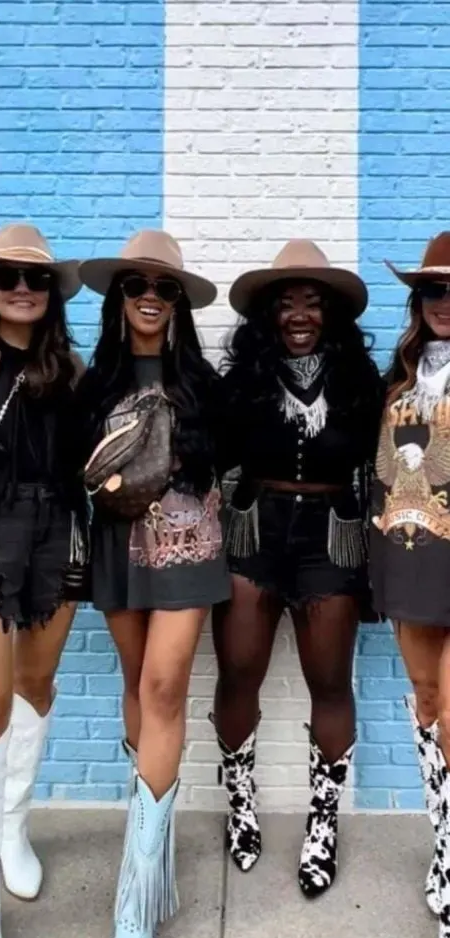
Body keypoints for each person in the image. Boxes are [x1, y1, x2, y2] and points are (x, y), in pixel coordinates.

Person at [76, 228, 230, 938]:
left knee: (166, 687)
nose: (149, 295)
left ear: (177, 303)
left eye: (164, 286)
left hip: (189, 546)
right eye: (137, 283)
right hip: (115, 551)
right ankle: (156, 848)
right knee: (138, 687)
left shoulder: (202, 380)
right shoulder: (91, 380)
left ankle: (136, 898)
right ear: (120, 297)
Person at [211, 239, 384, 895]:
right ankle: (242, 805)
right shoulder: (242, 383)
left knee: (330, 681)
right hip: (254, 530)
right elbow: (208, 456)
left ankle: (322, 822)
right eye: (287, 303)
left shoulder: (362, 385)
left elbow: (395, 462)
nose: (301, 314)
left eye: (313, 301)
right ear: (269, 316)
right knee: (239, 672)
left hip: (332, 538)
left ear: (331, 314)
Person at [0, 223, 89, 938]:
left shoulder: (67, 368)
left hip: (57, 533)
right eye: (7, 276)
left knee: (35, 690)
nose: (21, 289)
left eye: (34, 280)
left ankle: (13, 827)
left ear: (51, 297)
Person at [370, 232, 450, 938]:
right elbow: (386, 472)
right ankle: (443, 849)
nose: (442, 303)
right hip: (410, 557)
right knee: (426, 705)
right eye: (431, 291)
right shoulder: (398, 380)